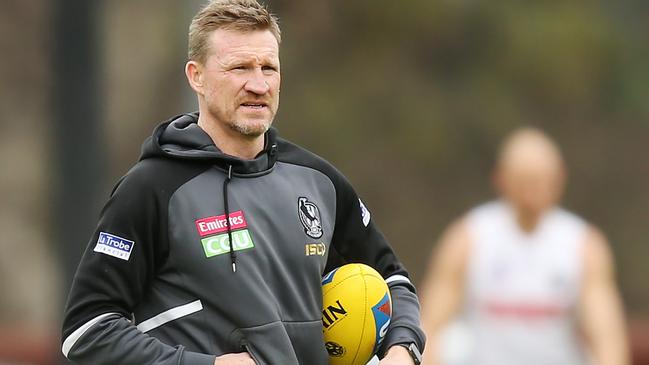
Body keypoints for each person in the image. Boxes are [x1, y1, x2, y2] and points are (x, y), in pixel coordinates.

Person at [60, 1, 425, 364]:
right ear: (196, 76)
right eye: (240, 68)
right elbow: (87, 330)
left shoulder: (319, 181)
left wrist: (402, 349)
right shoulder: (152, 189)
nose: (258, 84)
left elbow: (393, 281)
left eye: (269, 67)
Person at [419, 128, 629, 365]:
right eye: (525, 179)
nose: (534, 190)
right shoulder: (467, 239)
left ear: (560, 178)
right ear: (500, 178)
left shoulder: (584, 246)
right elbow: (430, 327)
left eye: (542, 179)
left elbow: (607, 338)